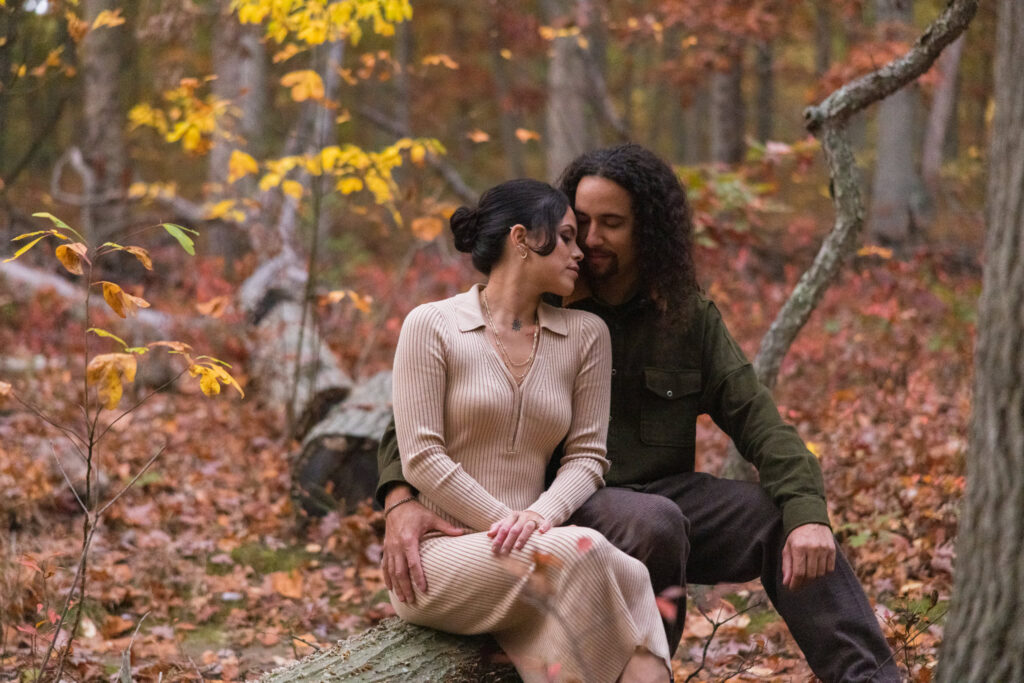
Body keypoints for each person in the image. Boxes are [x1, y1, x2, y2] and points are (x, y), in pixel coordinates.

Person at [378, 145, 901, 682]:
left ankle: (872, 678)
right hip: (566, 505)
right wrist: (399, 503)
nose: (591, 241)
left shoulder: (686, 317)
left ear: (646, 230)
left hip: (657, 496)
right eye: (579, 224)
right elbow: (419, 421)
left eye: (612, 224)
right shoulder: (544, 296)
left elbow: (759, 419)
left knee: (777, 517)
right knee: (654, 524)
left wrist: (809, 512)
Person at [386, 177, 671, 683]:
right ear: (520, 239)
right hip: (441, 556)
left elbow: (588, 456)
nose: (579, 252)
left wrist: (538, 518)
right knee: (581, 551)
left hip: (536, 541)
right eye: (565, 237)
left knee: (634, 573)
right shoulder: (431, 326)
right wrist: (508, 523)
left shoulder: (585, 335)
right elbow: (422, 456)